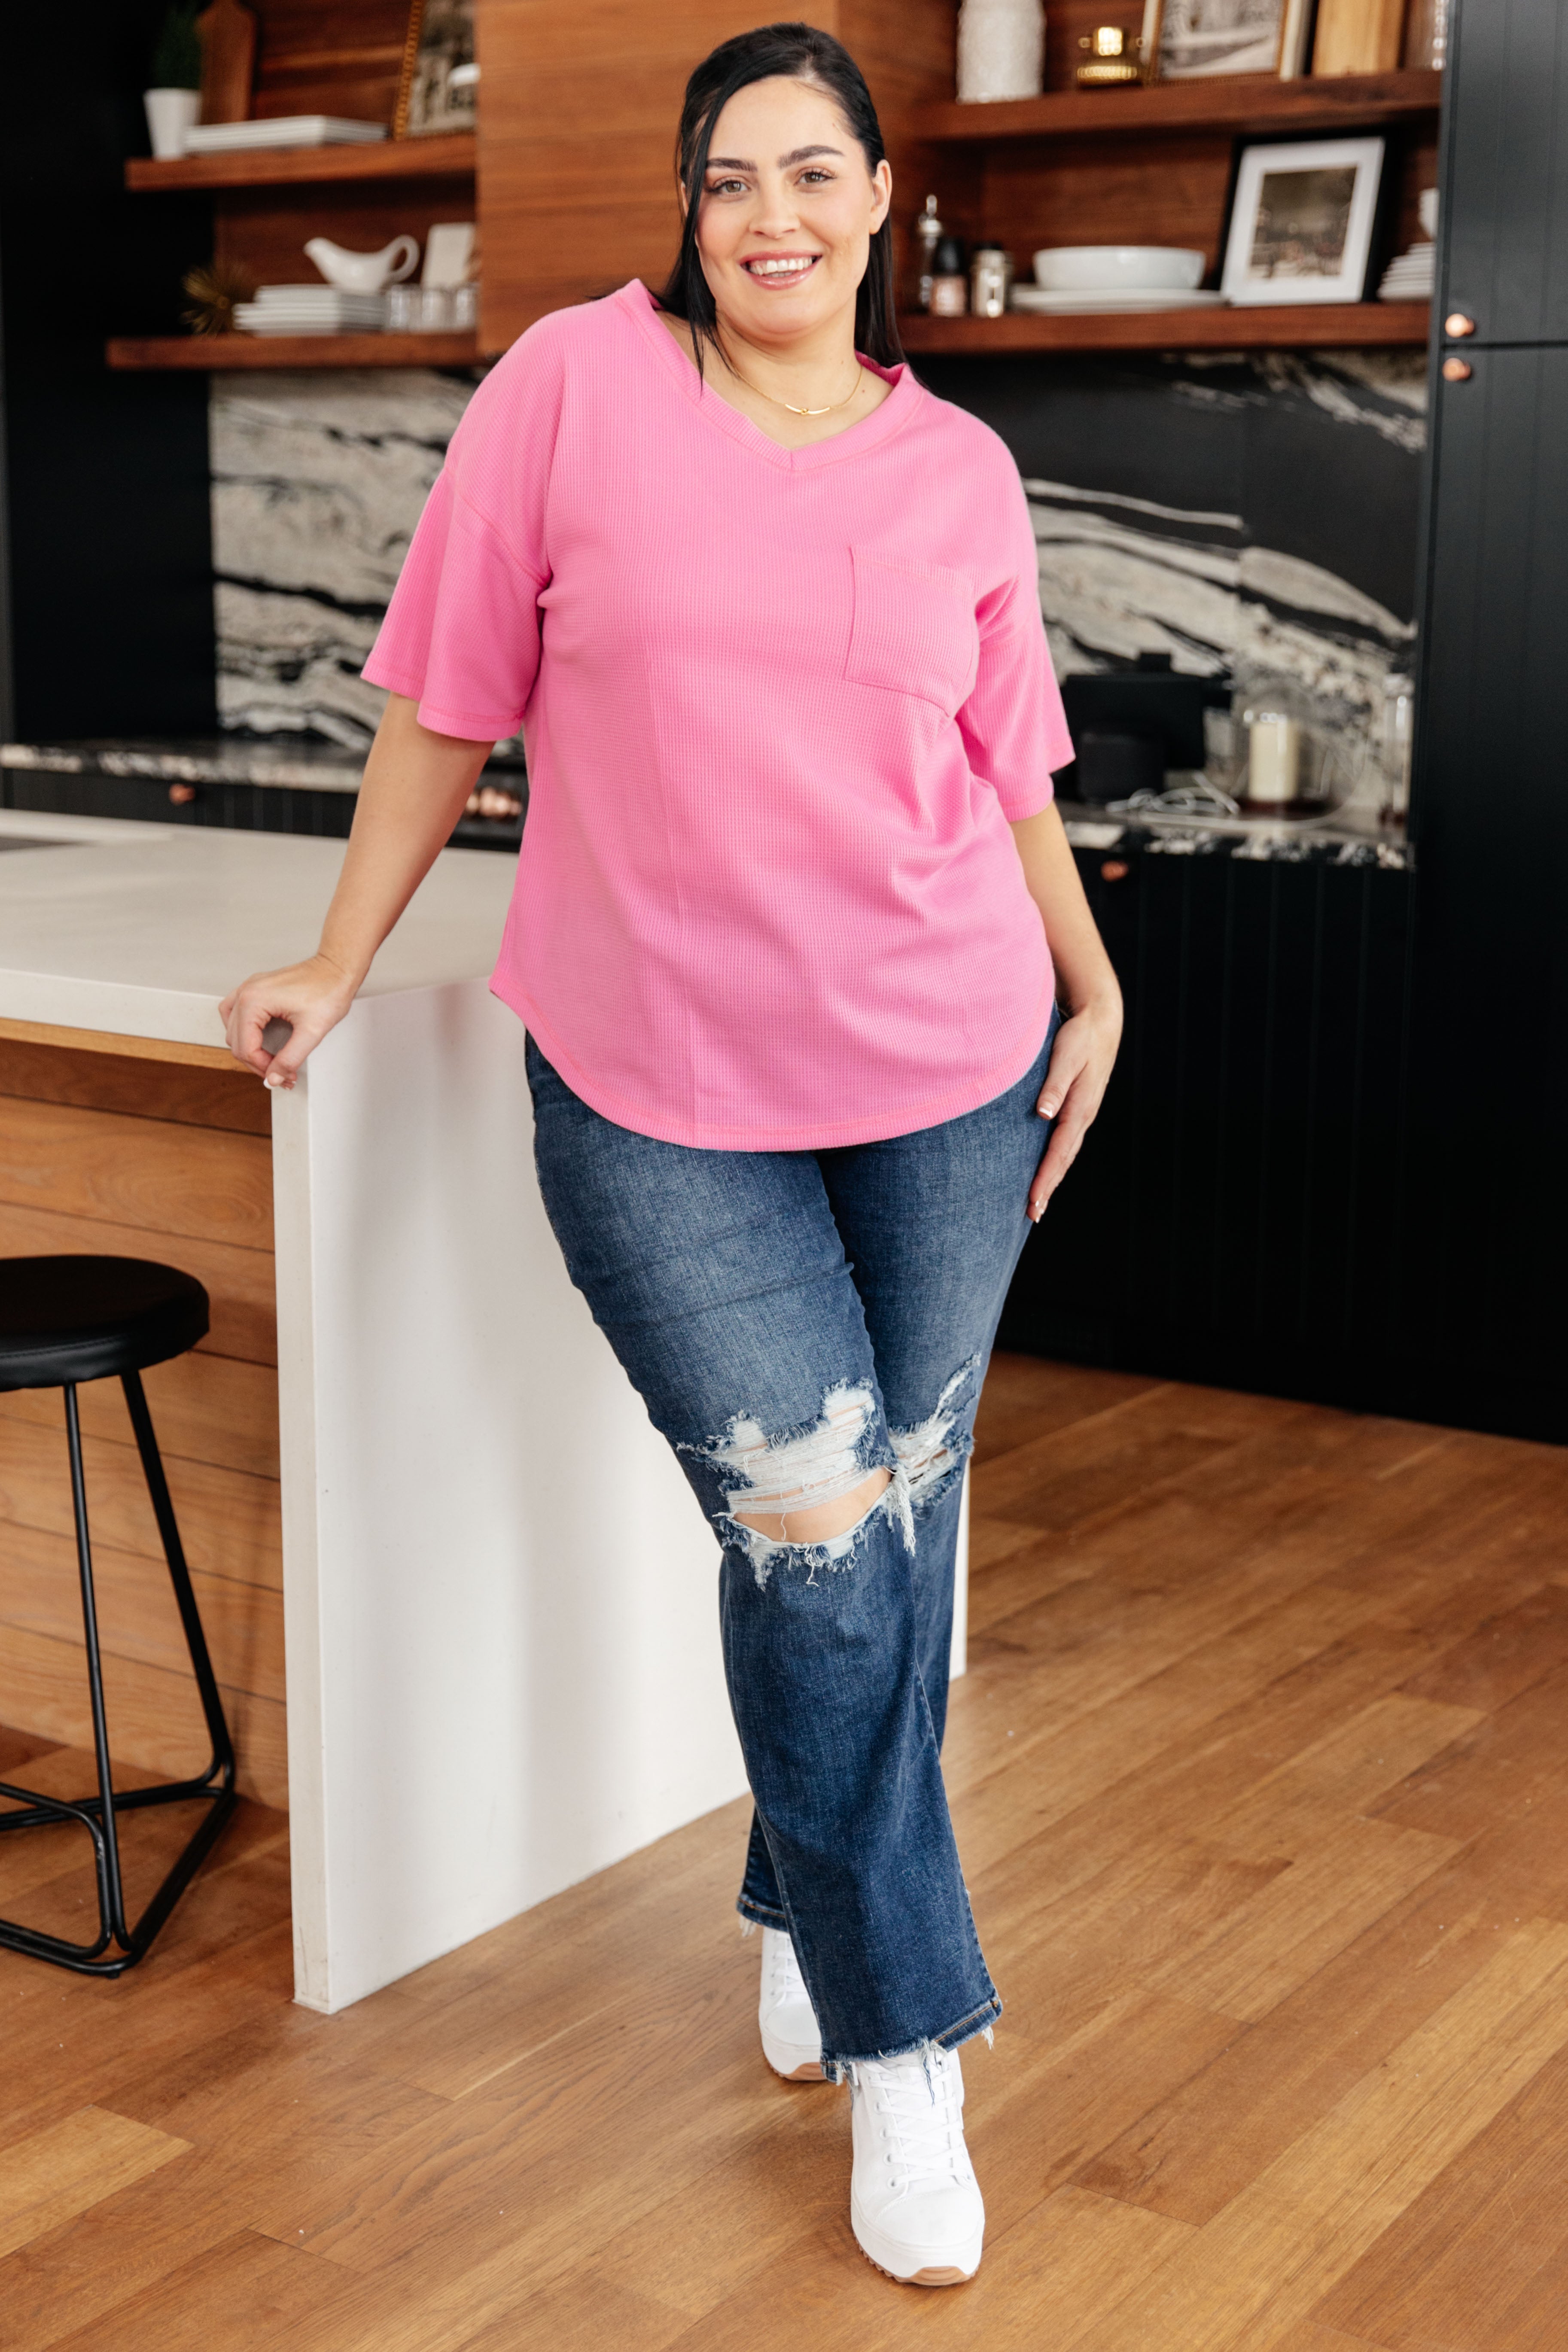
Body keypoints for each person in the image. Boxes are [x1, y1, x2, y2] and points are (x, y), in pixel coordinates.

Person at [221, 20, 1122, 2290]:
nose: (769, 215)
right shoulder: (572, 386)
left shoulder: (962, 471)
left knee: (885, 1521)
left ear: (881, 200)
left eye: (811, 172)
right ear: (690, 204)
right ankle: (910, 2040)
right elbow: (445, 687)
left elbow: (1003, 760)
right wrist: (340, 956)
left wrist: (1089, 979)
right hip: (649, 1084)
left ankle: (804, 1902)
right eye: (730, 178)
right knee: (816, 1529)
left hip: (944, 1058)